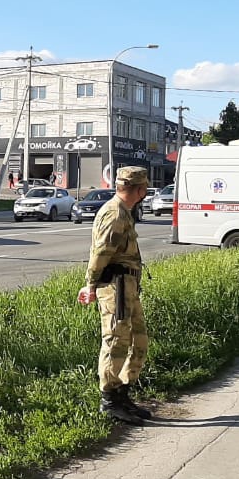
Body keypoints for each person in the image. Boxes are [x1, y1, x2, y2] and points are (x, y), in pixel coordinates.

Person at [77, 166, 152, 426]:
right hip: (116, 287)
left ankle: (122, 393)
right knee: (116, 340)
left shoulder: (124, 211)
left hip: (128, 286)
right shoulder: (114, 213)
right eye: (144, 188)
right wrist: (90, 284)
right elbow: (100, 253)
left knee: (138, 340)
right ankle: (109, 400)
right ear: (139, 190)